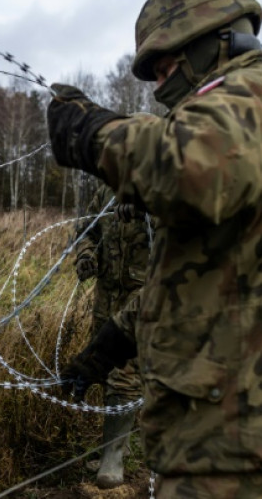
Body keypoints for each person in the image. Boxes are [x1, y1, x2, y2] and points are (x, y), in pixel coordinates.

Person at [48, 0, 262, 497]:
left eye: (165, 62)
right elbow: (217, 271)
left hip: (241, 434)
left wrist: (93, 133)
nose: (159, 79)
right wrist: (117, 338)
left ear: (212, 43)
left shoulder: (252, 93)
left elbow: (192, 170)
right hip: (245, 427)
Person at [73, 181, 150, 488]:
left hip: (142, 296)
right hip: (106, 297)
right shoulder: (105, 188)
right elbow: (87, 229)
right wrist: (86, 255)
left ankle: (113, 458)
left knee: (125, 372)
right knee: (104, 366)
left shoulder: (161, 180)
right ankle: (119, 443)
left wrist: (146, 208)